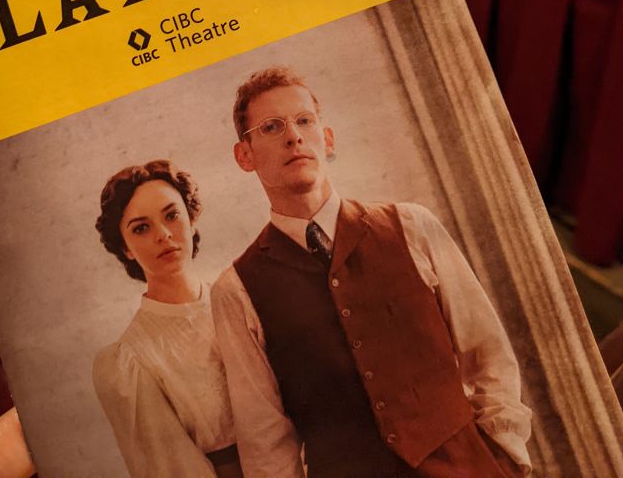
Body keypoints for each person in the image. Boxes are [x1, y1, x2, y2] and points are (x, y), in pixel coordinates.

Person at [211, 67, 532, 478]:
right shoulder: (237, 289)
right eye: (271, 127)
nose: (294, 137)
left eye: (304, 121)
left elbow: (487, 353)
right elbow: (265, 438)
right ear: (245, 155)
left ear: (327, 139)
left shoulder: (412, 226)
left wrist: (505, 453)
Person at [94, 159, 241, 478]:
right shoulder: (131, 361)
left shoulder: (243, 300)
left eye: (172, 216)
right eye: (141, 228)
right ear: (125, 248)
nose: (163, 234)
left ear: (191, 220)